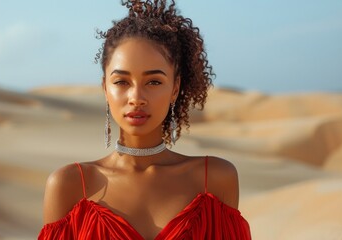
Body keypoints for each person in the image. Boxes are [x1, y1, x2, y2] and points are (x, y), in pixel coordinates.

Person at [38, 0, 251, 239]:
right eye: (121, 82)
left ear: (175, 88)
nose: (136, 97)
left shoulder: (214, 179)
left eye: (154, 82)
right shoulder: (70, 185)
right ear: (105, 88)